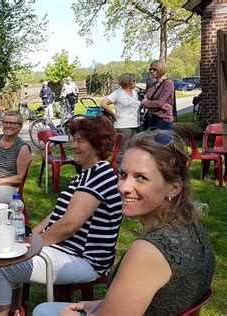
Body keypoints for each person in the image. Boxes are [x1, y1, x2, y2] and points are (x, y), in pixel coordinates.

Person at [33, 130, 215, 316]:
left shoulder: (147, 252)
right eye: (122, 175)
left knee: (43, 311)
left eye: (141, 177)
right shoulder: (192, 226)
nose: (123, 187)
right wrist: (102, 304)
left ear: (174, 188)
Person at [0, 116, 122, 316]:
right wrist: (33, 233)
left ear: (98, 145)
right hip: (66, 251)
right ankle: (12, 311)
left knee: (0, 268)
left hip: (85, 260)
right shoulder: (87, 172)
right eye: (73, 139)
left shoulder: (100, 175)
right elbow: (57, 213)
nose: (73, 145)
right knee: (9, 256)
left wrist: (35, 244)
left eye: (80, 141)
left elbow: (69, 224)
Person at [100, 73, 140, 164]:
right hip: (123, 126)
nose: (135, 82)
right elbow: (103, 103)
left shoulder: (135, 94)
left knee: (134, 150)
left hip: (136, 125)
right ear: (127, 81)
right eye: (133, 80)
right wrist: (113, 115)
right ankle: (118, 171)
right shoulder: (118, 93)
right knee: (122, 151)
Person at [141, 60, 175, 130]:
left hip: (163, 119)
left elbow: (160, 103)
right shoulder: (152, 85)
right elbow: (144, 100)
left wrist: (146, 102)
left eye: (154, 69)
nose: (151, 71)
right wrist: (146, 102)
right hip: (151, 118)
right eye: (150, 69)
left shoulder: (168, 83)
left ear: (161, 69)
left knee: (162, 140)